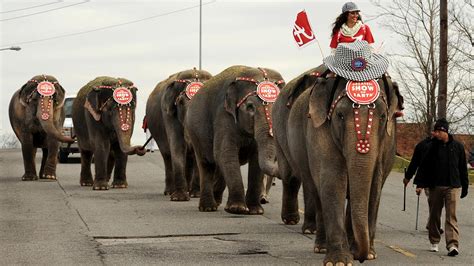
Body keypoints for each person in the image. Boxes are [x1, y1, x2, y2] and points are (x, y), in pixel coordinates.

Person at [414, 118, 469, 256]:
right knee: (434, 215)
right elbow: (424, 166)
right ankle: (434, 240)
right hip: (435, 186)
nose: (435, 134)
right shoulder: (431, 147)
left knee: (451, 216)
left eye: (438, 131)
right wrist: (420, 184)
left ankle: (452, 245)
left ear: (445, 131)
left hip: (453, 186)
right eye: (435, 131)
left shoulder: (458, 146)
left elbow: (462, 168)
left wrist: (465, 186)